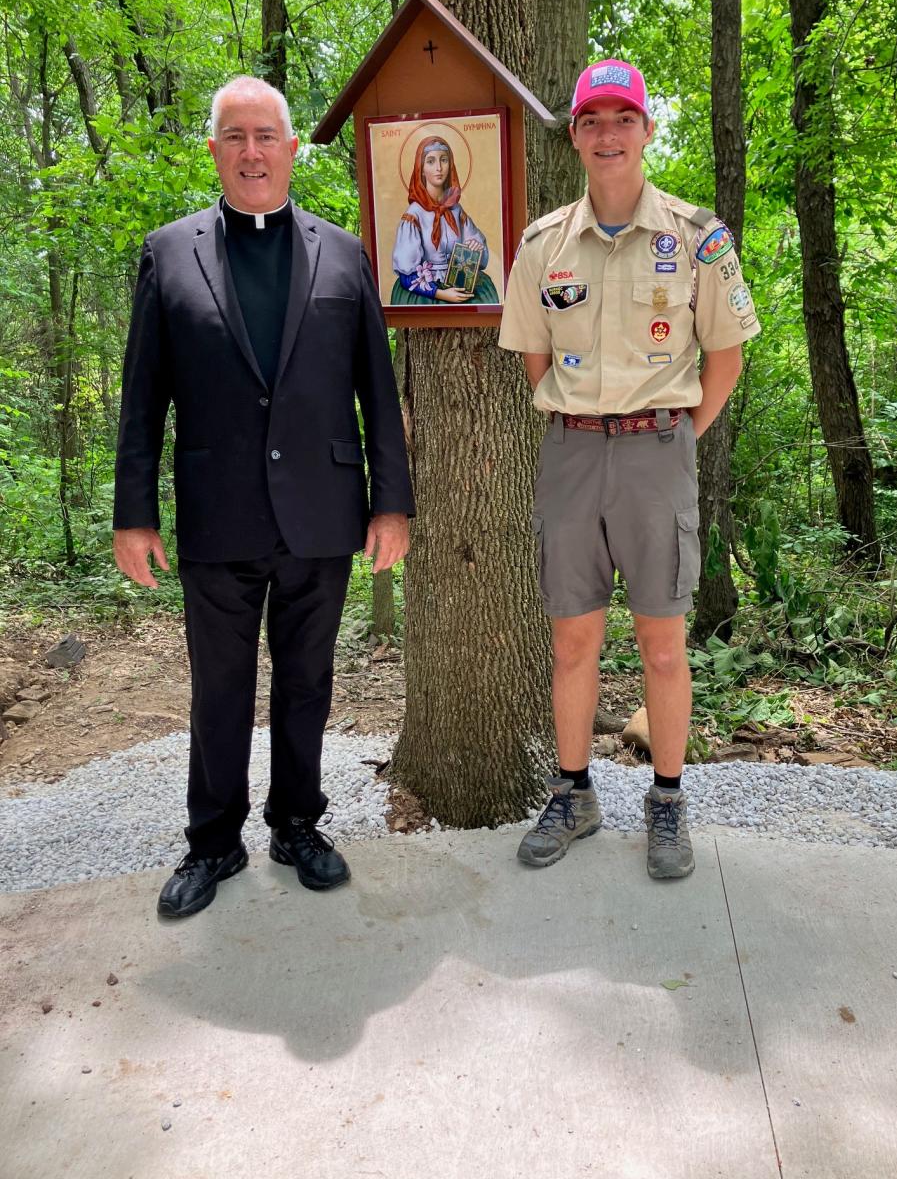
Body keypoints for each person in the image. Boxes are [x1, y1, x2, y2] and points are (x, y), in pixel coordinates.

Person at [113, 76, 414, 919]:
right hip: (218, 511)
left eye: (266, 136)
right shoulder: (168, 252)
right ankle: (213, 842)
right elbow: (143, 398)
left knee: (308, 682)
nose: (252, 151)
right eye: (235, 136)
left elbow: (376, 393)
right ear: (215, 150)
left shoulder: (344, 254)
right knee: (219, 686)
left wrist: (391, 503)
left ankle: (297, 824)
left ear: (291, 149)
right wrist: (132, 515)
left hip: (322, 509)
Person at [499, 59, 760, 879]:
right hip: (573, 451)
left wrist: (671, 434)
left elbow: (726, 357)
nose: (607, 134)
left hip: (657, 453)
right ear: (574, 135)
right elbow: (534, 359)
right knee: (572, 641)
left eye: (622, 118)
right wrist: (592, 423)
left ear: (646, 130)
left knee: (663, 645)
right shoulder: (545, 243)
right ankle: (574, 793)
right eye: (590, 120)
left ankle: (668, 802)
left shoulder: (694, 235)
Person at [391, 135, 499, 305]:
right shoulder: (414, 215)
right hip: (428, 292)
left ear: (451, 165)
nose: (439, 168)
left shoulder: (456, 210)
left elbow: (481, 257)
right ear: (421, 169)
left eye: (444, 160)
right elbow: (406, 275)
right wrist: (442, 295)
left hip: (459, 282)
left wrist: (475, 247)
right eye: (431, 161)